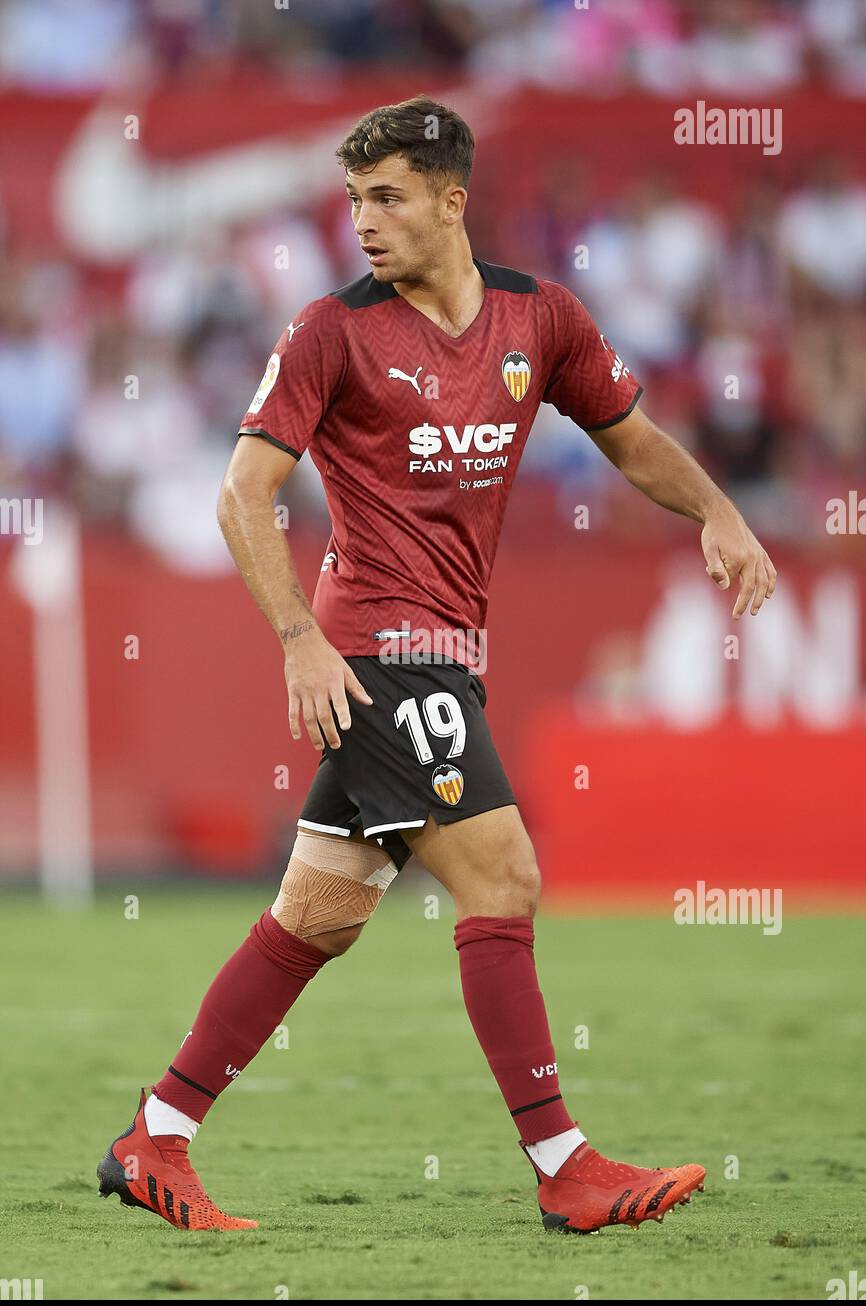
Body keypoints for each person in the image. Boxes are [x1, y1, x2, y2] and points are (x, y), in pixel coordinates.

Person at [98, 96, 776, 1235]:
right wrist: (299, 638)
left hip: (446, 655)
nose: (361, 220)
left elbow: (629, 437)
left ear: (452, 201)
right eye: (354, 198)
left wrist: (716, 512)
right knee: (502, 877)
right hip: (375, 653)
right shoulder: (330, 331)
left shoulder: (537, 317)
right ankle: (565, 1167)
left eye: (387, 197)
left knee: (315, 916)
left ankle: (154, 1136)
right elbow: (242, 495)